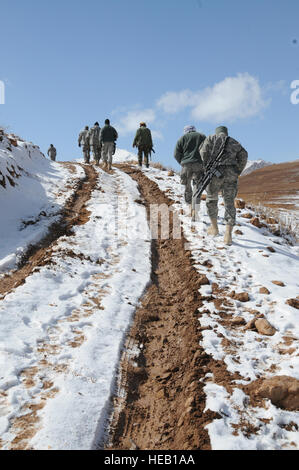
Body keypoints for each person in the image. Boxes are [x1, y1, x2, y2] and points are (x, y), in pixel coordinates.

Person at [200, 126, 248, 245]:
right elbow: (244, 155)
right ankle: (228, 234)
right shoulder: (234, 141)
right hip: (231, 175)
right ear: (226, 133)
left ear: (216, 132)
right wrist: (238, 170)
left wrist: (207, 166)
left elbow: (203, 152)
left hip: (214, 174)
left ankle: (214, 228)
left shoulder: (210, 139)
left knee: (211, 199)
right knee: (229, 202)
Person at [174, 125, 206, 209]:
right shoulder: (202, 136)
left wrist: (182, 162)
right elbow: (208, 149)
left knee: (187, 185)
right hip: (199, 164)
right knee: (198, 185)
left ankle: (189, 205)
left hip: (186, 164)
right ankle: (196, 207)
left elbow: (176, 154)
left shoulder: (182, 138)